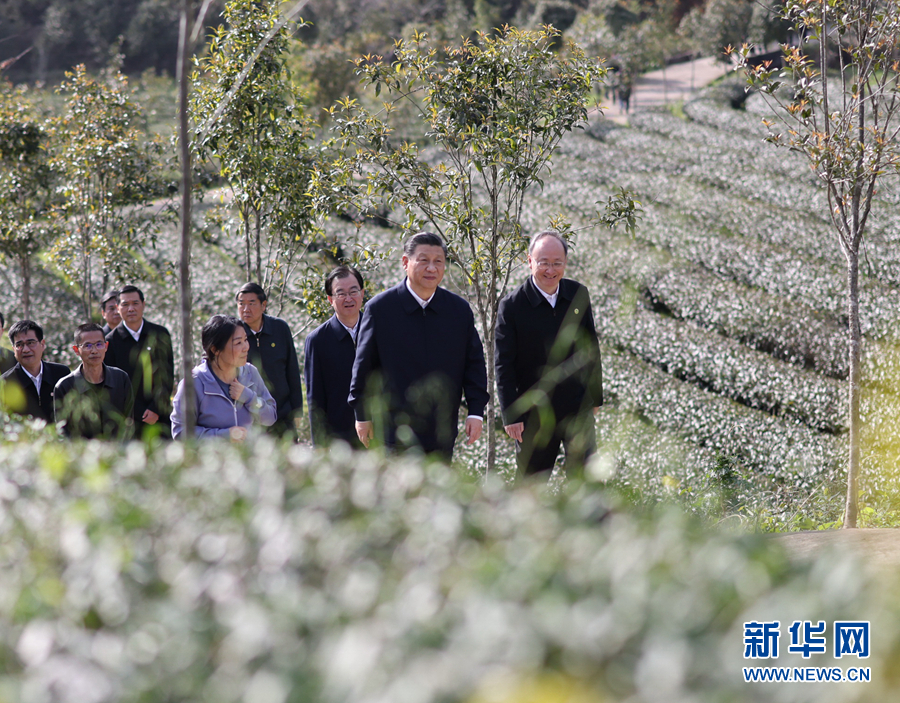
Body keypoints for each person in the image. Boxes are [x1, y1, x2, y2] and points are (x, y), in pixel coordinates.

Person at [349, 232, 489, 460]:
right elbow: (364, 365)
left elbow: (474, 364)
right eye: (423, 260)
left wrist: (476, 411)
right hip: (392, 432)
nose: (432, 268)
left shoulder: (458, 311)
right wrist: (362, 415)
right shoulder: (381, 309)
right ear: (406, 262)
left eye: (438, 262)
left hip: (441, 431)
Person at [495, 230, 603, 476]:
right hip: (535, 414)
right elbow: (503, 364)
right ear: (529, 261)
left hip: (577, 408)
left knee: (587, 481)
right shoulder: (512, 306)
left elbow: (591, 348)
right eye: (543, 263)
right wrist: (511, 414)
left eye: (557, 263)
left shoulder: (577, 295)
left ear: (565, 263)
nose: (550, 270)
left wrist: (595, 397)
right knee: (532, 485)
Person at [171, 314, 277, 440]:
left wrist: (249, 397)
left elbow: (270, 417)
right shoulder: (194, 383)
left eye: (245, 340)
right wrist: (225, 436)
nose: (246, 347)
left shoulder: (250, 373)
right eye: (238, 343)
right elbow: (180, 433)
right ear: (215, 349)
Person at [304, 266, 365, 447]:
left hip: (380, 436)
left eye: (353, 291)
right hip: (340, 442)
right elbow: (315, 400)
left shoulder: (378, 331)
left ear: (362, 293)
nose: (348, 298)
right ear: (330, 299)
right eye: (340, 293)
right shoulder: (318, 340)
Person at [104, 285, 175, 439]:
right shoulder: (110, 342)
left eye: (135, 303)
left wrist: (155, 409)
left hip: (160, 417)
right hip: (128, 421)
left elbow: (168, 374)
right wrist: (139, 413)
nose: (131, 309)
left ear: (143, 305)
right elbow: (114, 385)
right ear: (117, 307)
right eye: (125, 304)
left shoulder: (160, 334)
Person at [236, 282, 304, 436]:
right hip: (249, 416)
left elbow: (292, 369)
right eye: (241, 304)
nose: (246, 309)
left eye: (251, 303)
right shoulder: (233, 333)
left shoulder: (280, 328)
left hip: (283, 412)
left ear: (263, 305)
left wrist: (297, 409)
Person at [54, 323, 134, 439]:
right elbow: (63, 434)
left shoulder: (121, 379)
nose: (94, 351)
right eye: (87, 346)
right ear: (76, 350)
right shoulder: (65, 386)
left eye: (99, 344)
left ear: (106, 346)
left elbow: (128, 425)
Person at [0, 320, 70, 423]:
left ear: (42, 344)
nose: (26, 350)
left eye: (31, 343)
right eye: (19, 345)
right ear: (13, 349)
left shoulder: (61, 374)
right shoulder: (6, 382)